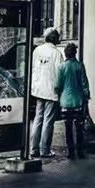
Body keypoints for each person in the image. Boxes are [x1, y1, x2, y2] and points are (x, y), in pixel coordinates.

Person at [29, 27, 62, 159]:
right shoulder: (56, 53)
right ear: (54, 38)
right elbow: (59, 74)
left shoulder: (37, 50)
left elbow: (33, 68)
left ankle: (34, 148)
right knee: (48, 121)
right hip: (51, 90)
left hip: (38, 89)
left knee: (38, 119)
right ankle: (45, 150)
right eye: (58, 37)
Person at [57, 42, 91, 160]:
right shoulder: (79, 66)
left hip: (65, 102)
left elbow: (58, 85)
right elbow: (84, 83)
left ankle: (71, 152)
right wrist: (87, 96)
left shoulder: (61, 67)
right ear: (75, 53)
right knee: (79, 127)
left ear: (66, 54)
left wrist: (58, 93)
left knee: (68, 128)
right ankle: (80, 151)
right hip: (78, 101)